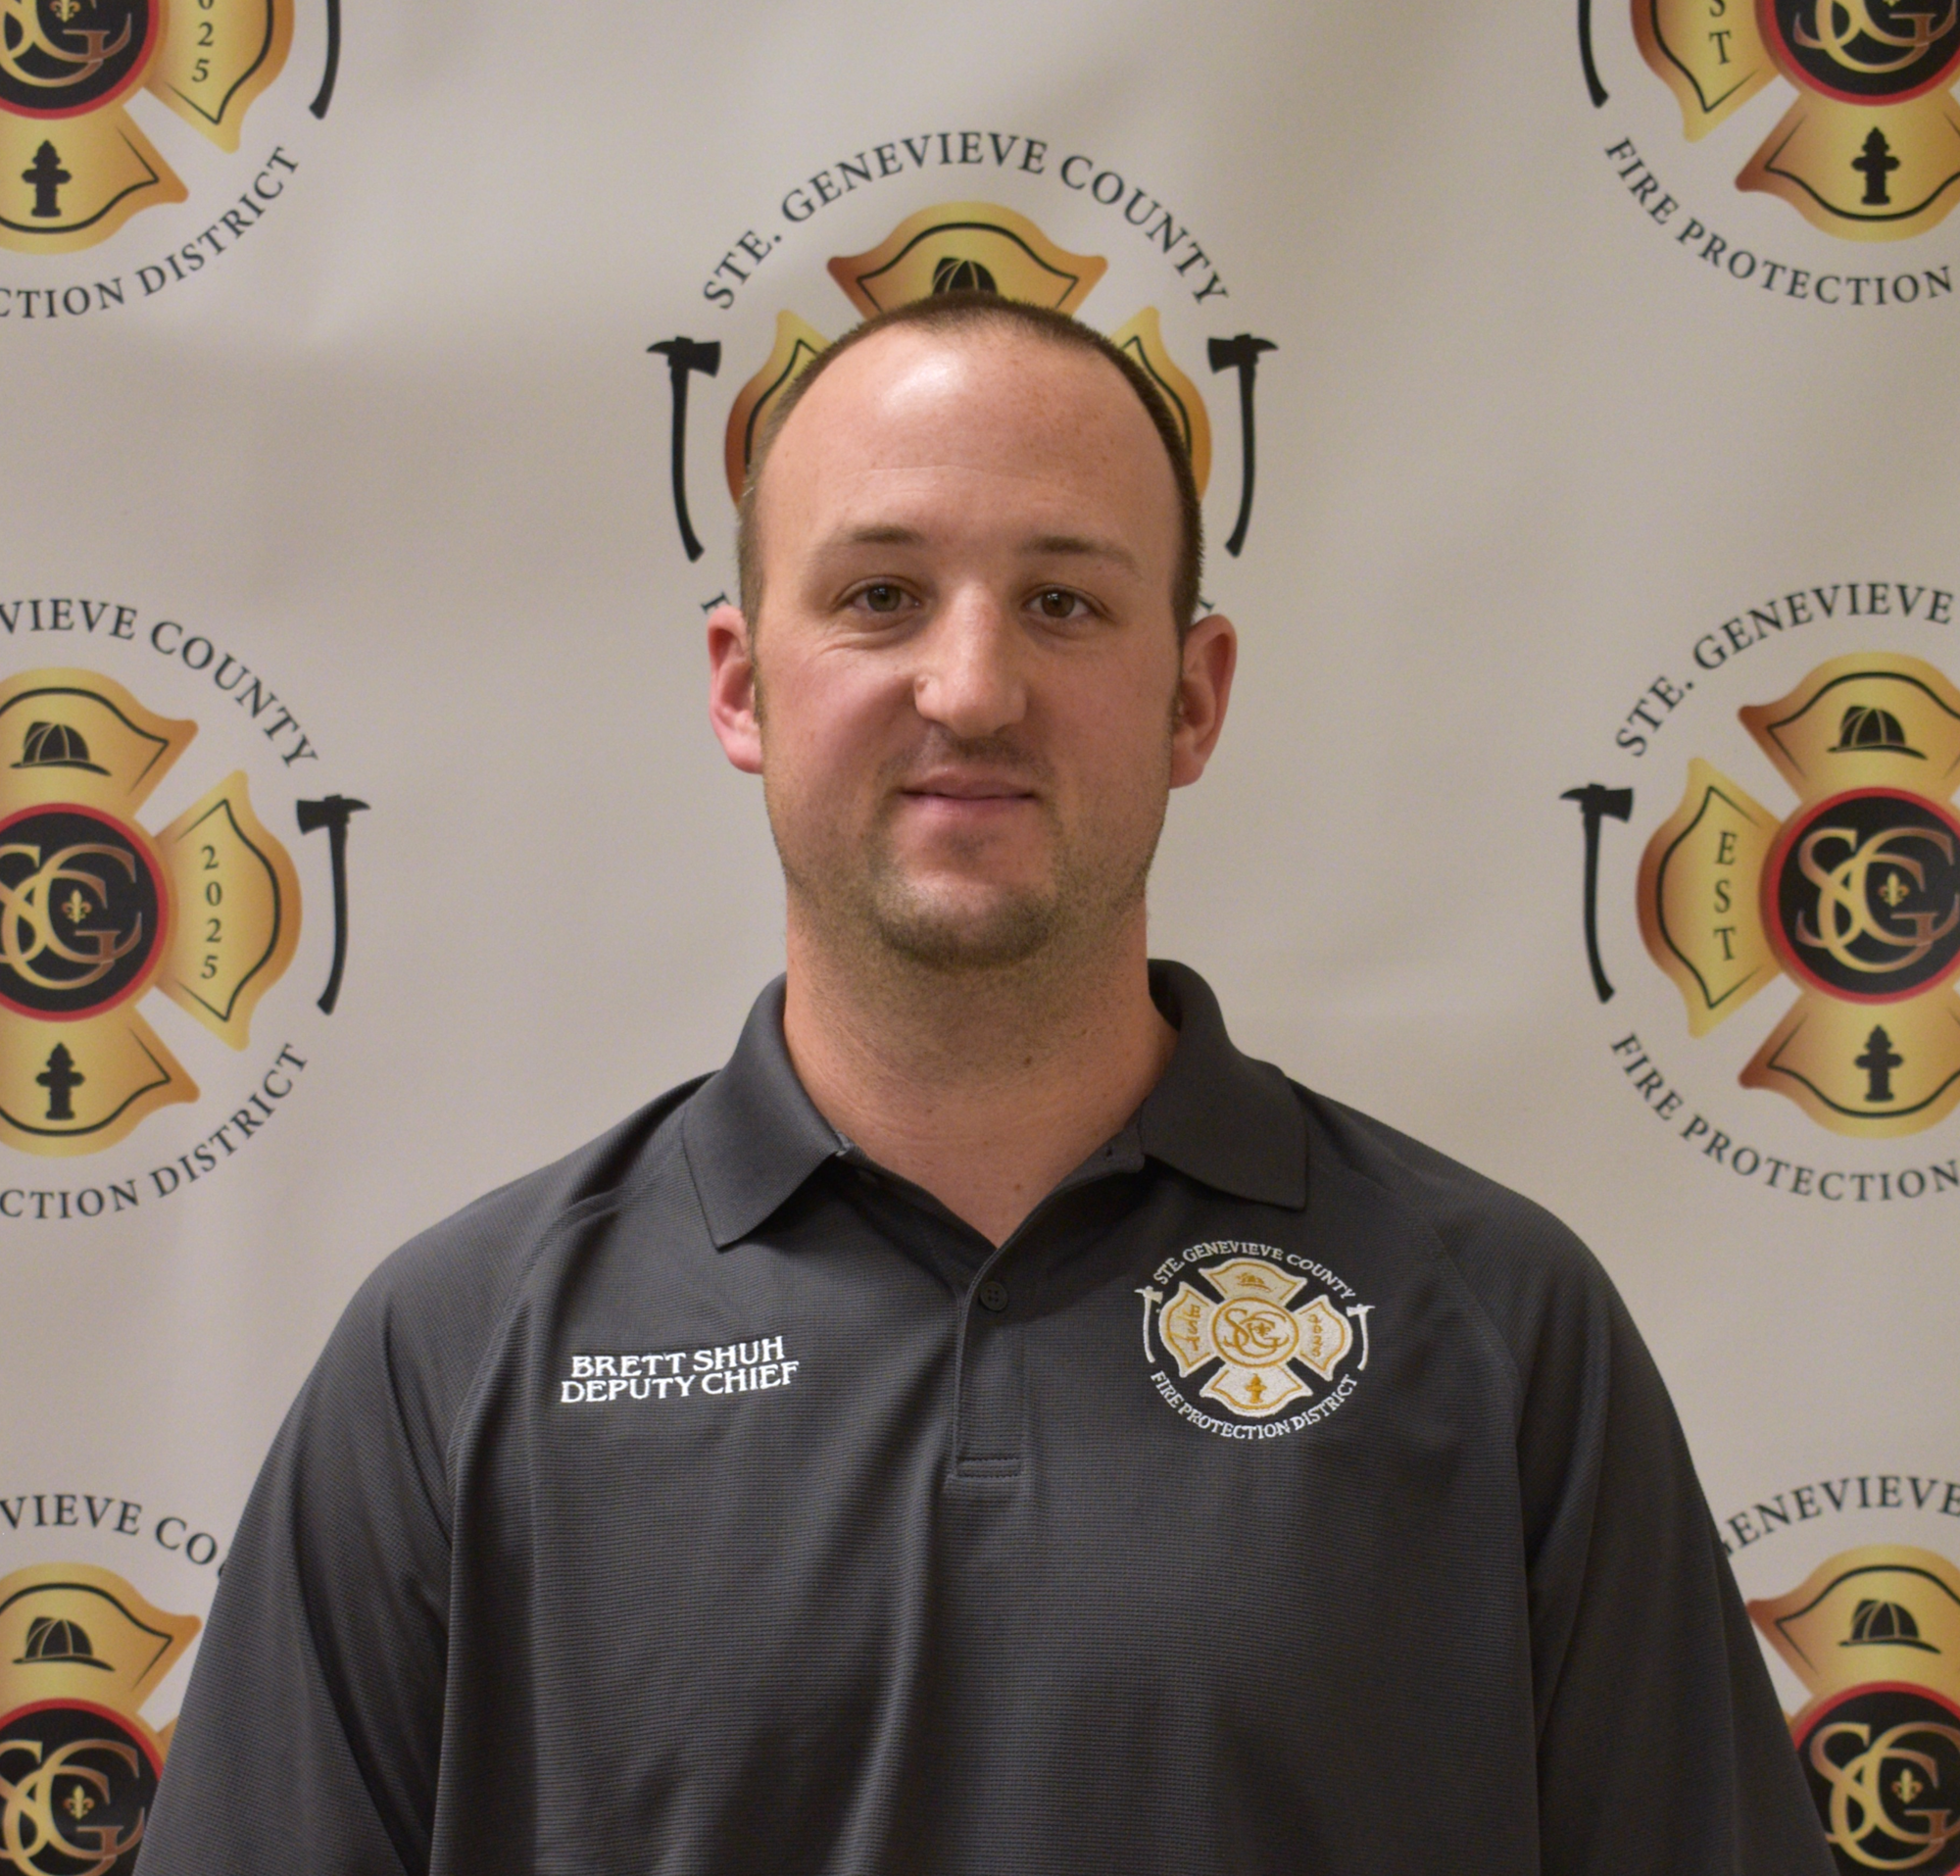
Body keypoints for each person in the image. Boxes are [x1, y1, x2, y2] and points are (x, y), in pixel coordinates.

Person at [141, 295, 1833, 1874]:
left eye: (1064, 601)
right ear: (742, 682)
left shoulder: (1500, 1326)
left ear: (1191, 695)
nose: (971, 687)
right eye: (880, 595)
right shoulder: (456, 1356)